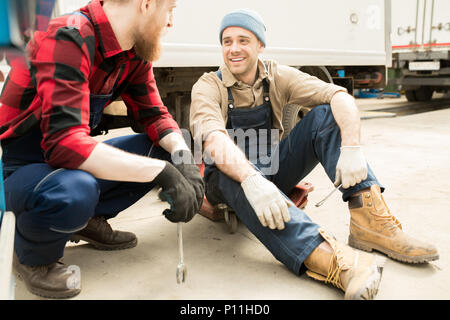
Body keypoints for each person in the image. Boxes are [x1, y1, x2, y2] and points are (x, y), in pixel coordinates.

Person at [190, 9, 439, 300]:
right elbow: (212, 139)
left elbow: (339, 96)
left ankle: (371, 223)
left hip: (270, 171)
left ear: (260, 45)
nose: (233, 49)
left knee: (324, 115)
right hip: (228, 180)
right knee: (229, 174)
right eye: (226, 41)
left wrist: (351, 148)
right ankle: (337, 262)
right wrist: (250, 179)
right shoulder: (209, 85)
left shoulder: (277, 75)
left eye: (243, 40)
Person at [0, 0, 204, 299]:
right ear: (146, 4)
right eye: (170, 9)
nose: (171, 21)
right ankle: (32, 254)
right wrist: (163, 173)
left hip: (61, 164)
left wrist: (184, 160)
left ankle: (85, 221)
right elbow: (65, 145)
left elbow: (155, 116)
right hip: (19, 170)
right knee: (75, 190)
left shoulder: (132, 53)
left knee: (170, 146)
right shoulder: (68, 36)